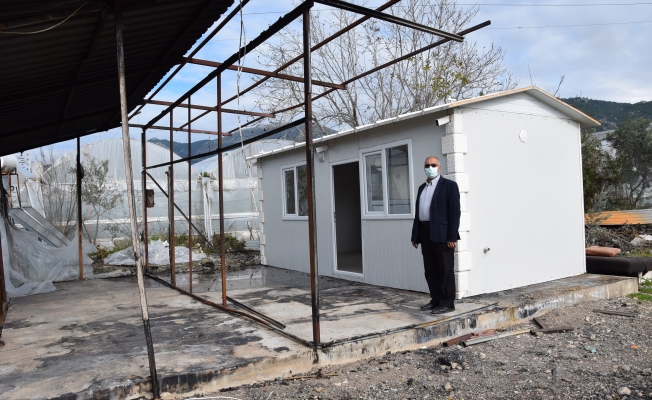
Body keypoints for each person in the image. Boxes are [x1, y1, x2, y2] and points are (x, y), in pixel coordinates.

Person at [411, 156, 461, 314]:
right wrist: (415, 235)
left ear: (439, 168)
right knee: (430, 270)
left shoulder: (449, 186)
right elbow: (418, 213)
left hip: (443, 234)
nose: (430, 167)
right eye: (427, 165)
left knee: (445, 269)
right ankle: (436, 299)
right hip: (425, 232)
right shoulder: (422, 188)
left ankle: (447, 302)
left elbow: (454, 213)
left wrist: (452, 236)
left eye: (433, 165)